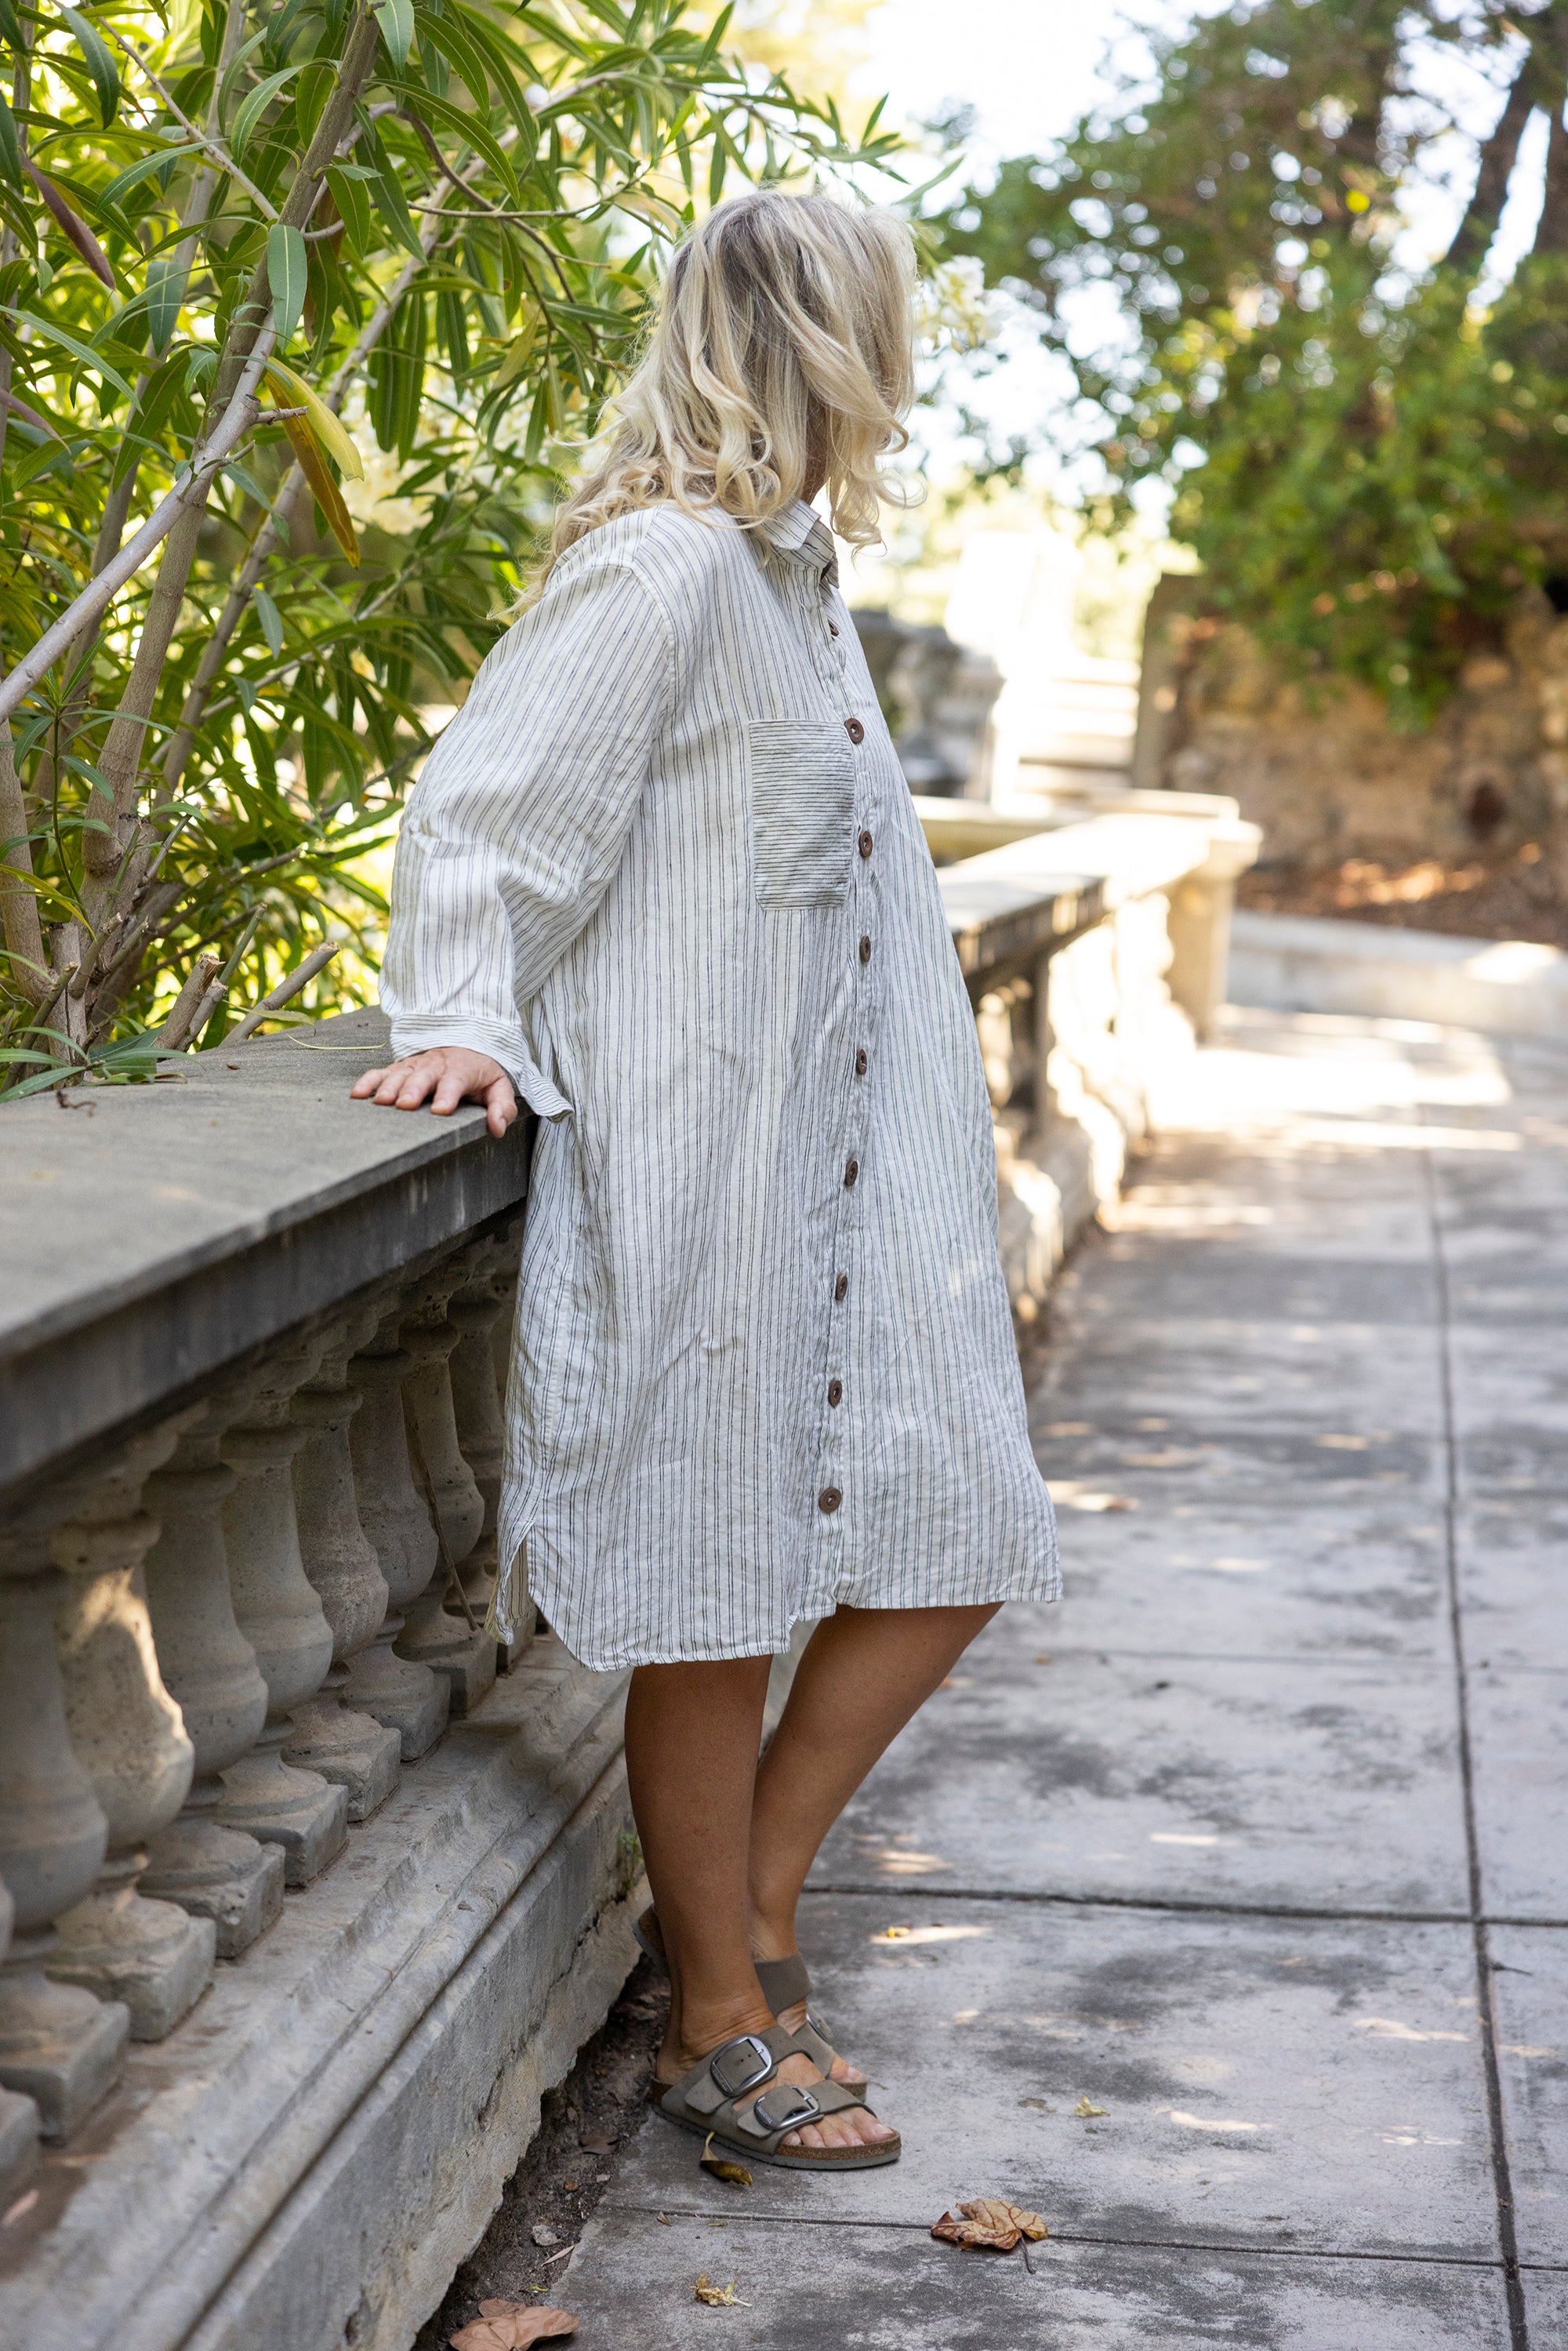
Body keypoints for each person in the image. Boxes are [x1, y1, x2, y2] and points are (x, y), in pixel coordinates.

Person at [352, 189, 1058, 2169]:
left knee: (955, 1530)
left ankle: (746, 1904)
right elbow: (491, 807)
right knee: (713, 1580)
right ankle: (720, 2012)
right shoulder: (660, 570)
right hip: (698, 1171)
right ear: (838, 341)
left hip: (843, 1181)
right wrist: (468, 1019)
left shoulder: (792, 580)